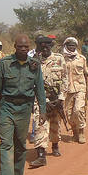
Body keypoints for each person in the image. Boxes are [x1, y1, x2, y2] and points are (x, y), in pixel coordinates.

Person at [0, 34, 46, 175]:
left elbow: (39, 88)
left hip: (25, 108)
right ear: (15, 47)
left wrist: (42, 110)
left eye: (26, 47)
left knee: (20, 143)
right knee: (6, 144)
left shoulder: (34, 65)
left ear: (29, 48)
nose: (23, 49)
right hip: (7, 107)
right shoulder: (5, 64)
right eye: (20, 47)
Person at [29, 36, 67, 167]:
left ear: (51, 46)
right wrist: (43, 101)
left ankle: (55, 145)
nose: (45, 48)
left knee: (55, 125)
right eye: (42, 46)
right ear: (38, 47)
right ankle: (41, 155)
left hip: (56, 99)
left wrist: (61, 98)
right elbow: (30, 82)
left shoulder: (59, 58)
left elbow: (65, 79)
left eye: (47, 46)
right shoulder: (33, 61)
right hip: (40, 100)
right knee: (40, 125)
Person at [62, 37, 88, 144]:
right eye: (69, 45)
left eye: (73, 45)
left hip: (80, 88)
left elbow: (86, 75)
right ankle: (75, 133)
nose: (71, 47)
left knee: (78, 110)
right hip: (67, 90)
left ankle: (81, 132)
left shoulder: (82, 59)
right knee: (68, 113)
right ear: (66, 46)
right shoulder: (61, 59)